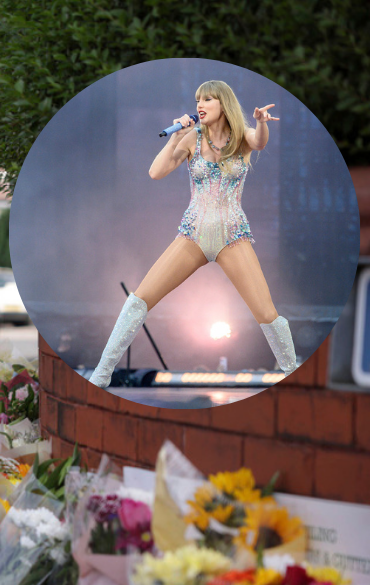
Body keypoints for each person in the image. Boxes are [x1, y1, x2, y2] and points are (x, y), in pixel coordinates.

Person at [89, 80, 293, 388]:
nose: (200, 104)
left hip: (232, 235)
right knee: (138, 301)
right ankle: (100, 376)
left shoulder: (241, 139)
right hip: (193, 234)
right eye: (198, 99)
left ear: (223, 104)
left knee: (267, 313)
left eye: (208, 99)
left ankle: (294, 375)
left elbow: (259, 141)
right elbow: (155, 172)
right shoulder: (191, 138)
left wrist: (261, 123)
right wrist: (175, 138)